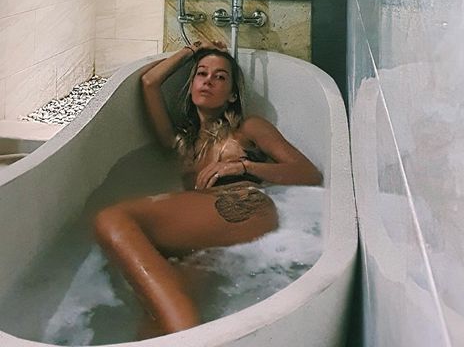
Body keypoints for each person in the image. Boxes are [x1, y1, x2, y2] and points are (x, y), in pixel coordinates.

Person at [94, 40, 322, 338]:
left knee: (112, 219)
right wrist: (191, 50)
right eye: (201, 74)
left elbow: (308, 173)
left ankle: (186, 333)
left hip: (241, 204)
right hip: (206, 232)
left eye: (220, 77)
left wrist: (242, 167)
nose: (208, 81)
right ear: (191, 86)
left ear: (232, 95)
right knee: (159, 324)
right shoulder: (181, 142)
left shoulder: (247, 129)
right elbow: (149, 82)